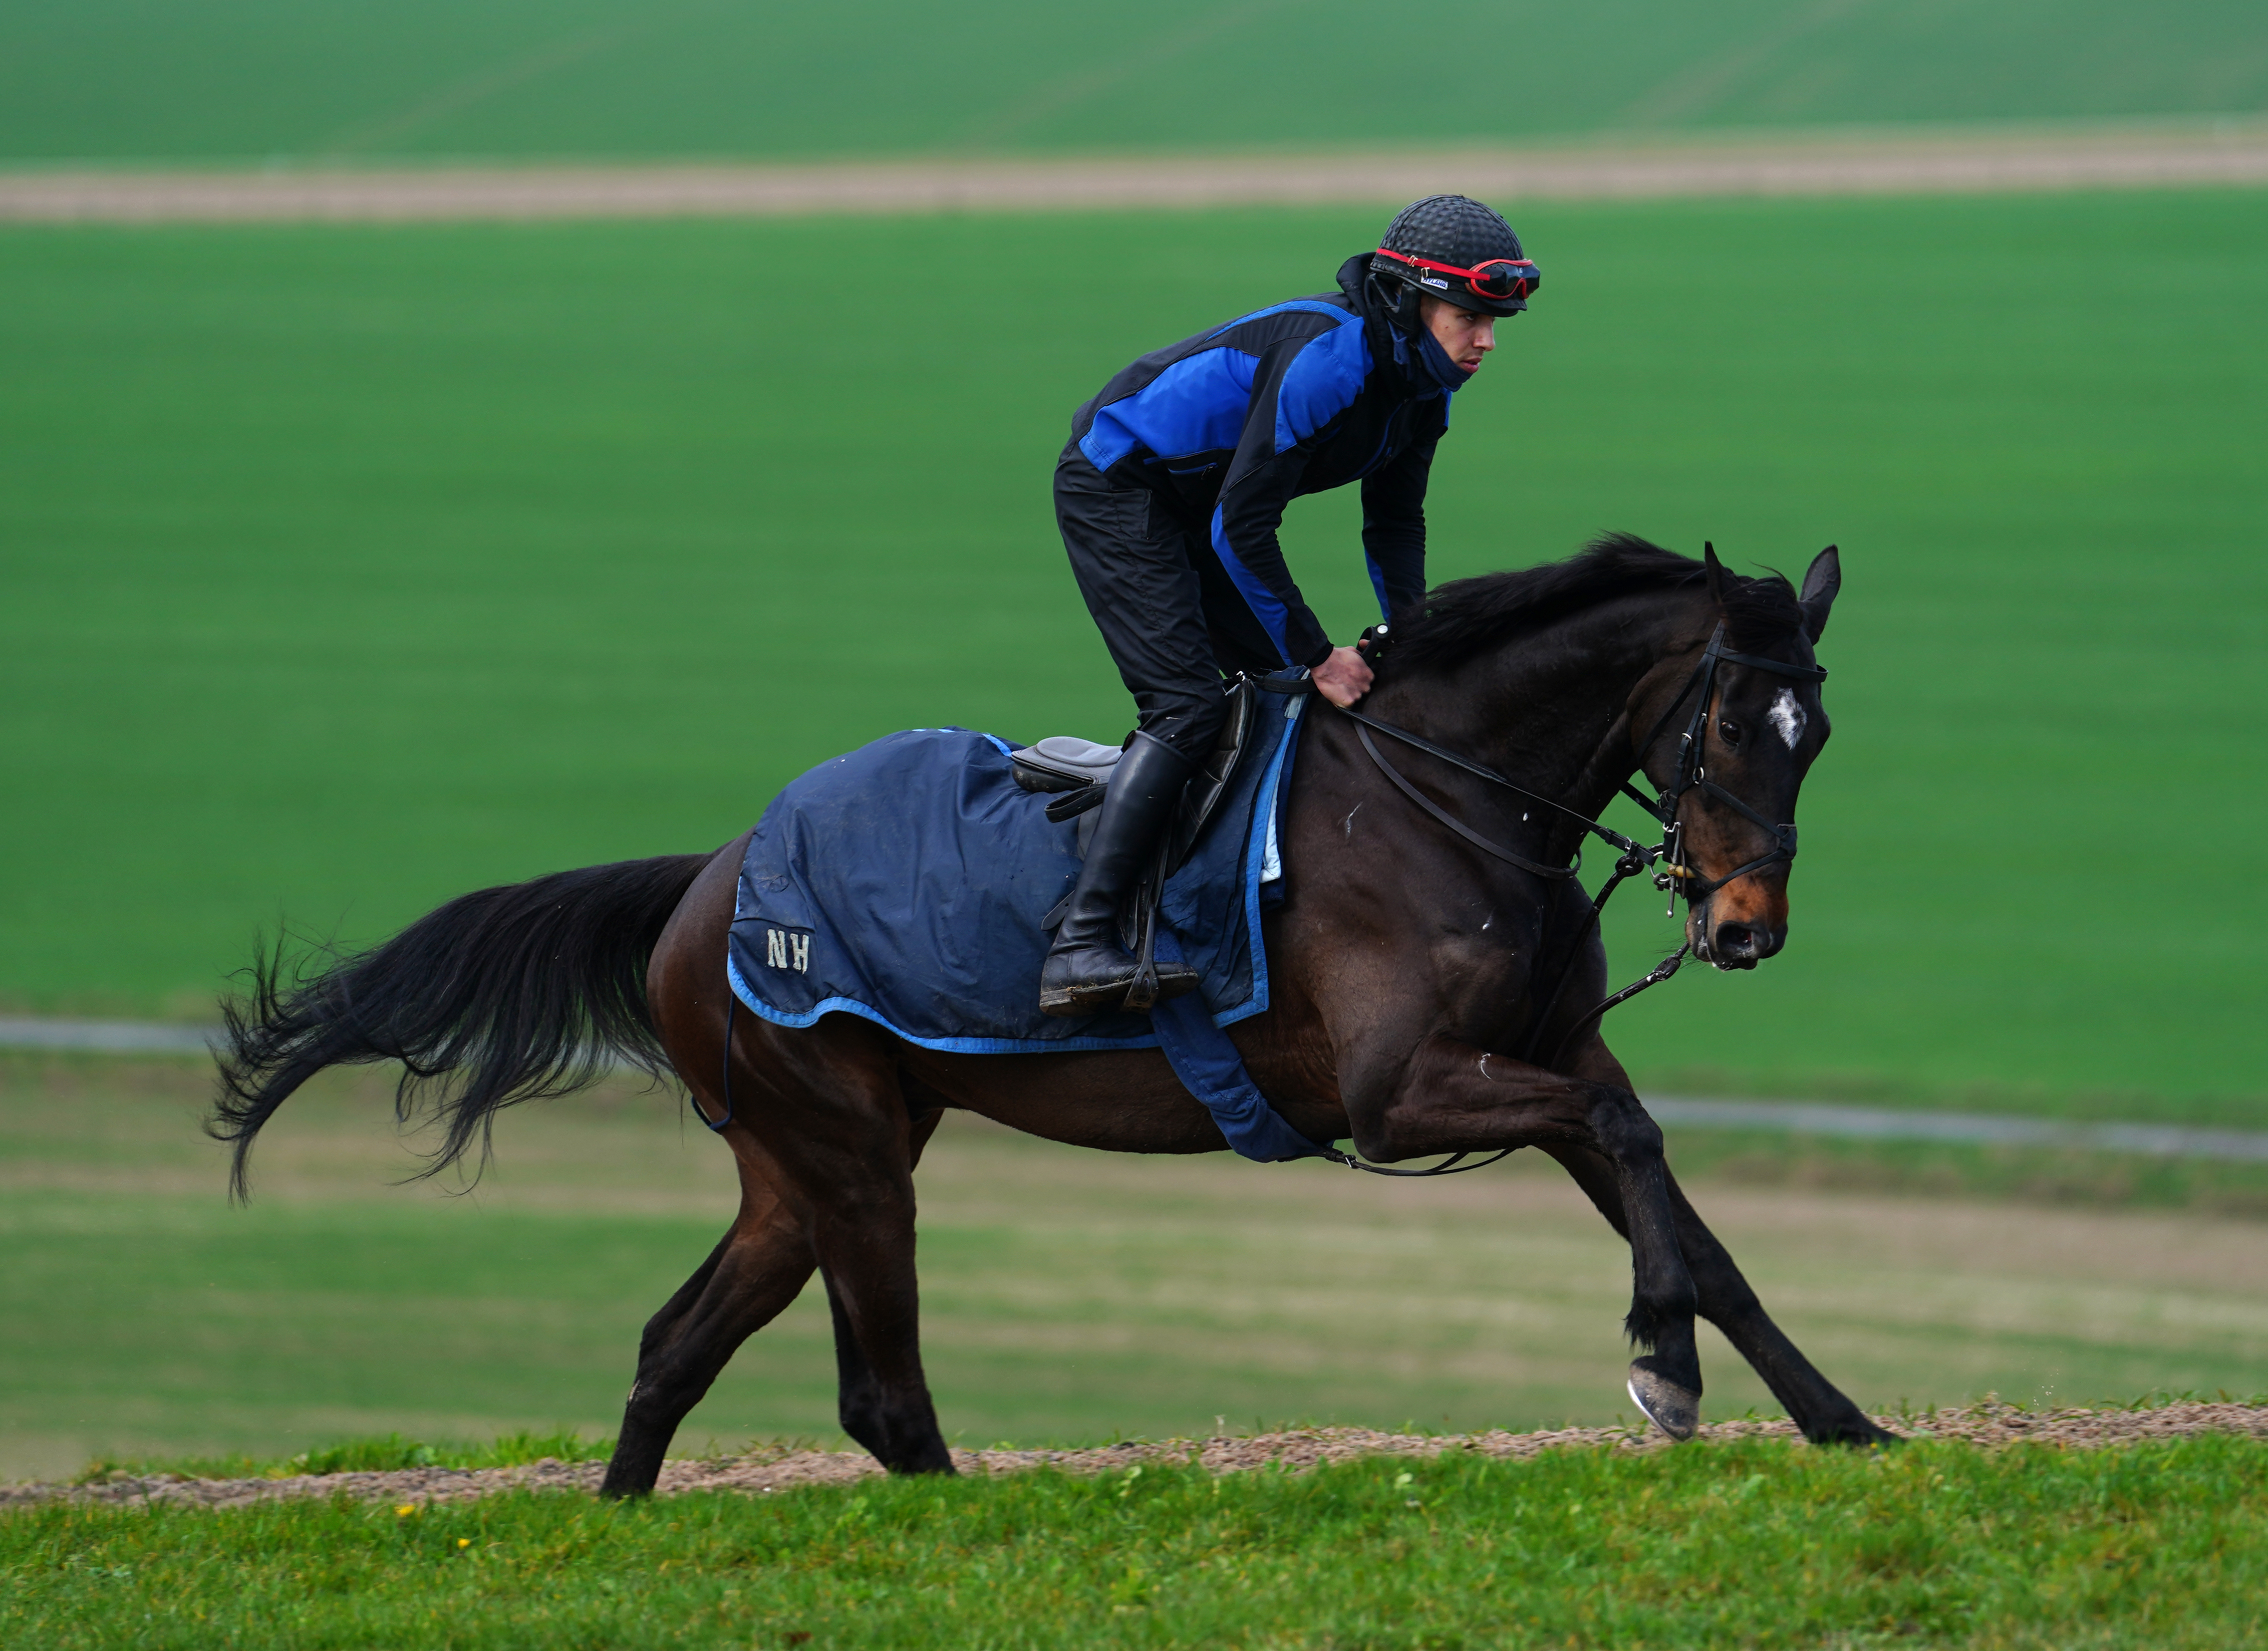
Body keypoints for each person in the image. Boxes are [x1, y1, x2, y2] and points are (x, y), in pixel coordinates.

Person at [1039, 194, 1539, 1016]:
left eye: (1494, 323)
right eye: (1469, 318)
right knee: (1189, 709)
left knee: (1273, 693)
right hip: (1119, 488)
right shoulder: (1330, 363)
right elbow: (1241, 527)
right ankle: (1079, 942)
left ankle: (1206, 901)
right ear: (1408, 303)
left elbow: (1395, 523)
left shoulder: (1427, 388)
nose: (1485, 340)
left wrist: (1413, 633)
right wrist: (1318, 654)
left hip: (1198, 504)